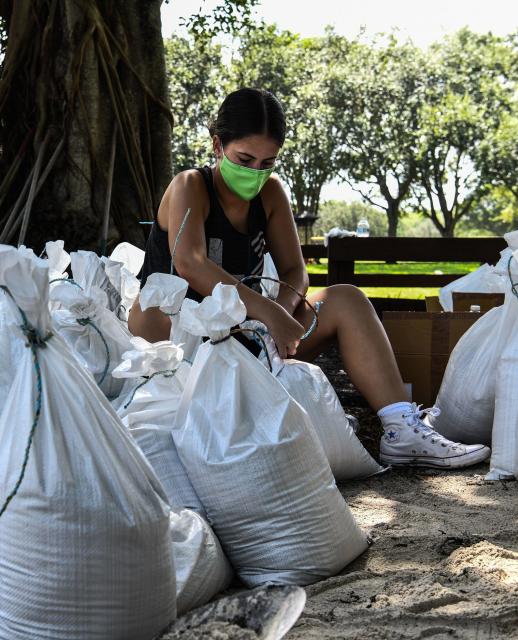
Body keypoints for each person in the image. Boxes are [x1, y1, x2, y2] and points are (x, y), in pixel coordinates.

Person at [128, 87, 489, 469]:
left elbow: (295, 271)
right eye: (244, 159)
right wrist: (269, 314)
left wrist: (275, 321)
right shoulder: (190, 186)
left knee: (346, 299)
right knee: (152, 310)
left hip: (245, 337)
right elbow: (190, 262)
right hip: (181, 342)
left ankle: (401, 429)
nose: (255, 173)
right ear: (218, 145)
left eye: (267, 162)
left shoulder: (270, 194)